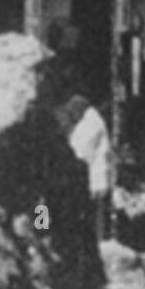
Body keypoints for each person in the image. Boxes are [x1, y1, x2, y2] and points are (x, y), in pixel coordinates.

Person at [65, 94, 112, 243]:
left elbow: (81, 150)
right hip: (92, 173)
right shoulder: (88, 121)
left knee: (95, 215)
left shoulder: (92, 122)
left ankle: (99, 242)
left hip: (95, 175)